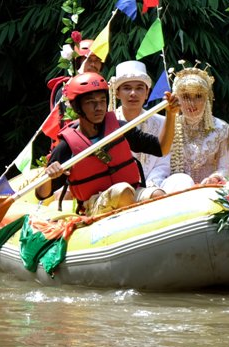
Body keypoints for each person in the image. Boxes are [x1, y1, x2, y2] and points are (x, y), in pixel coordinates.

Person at [36, 72, 180, 215]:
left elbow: (162, 148)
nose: (99, 107)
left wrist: (171, 114)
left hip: (131, 191)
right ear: (77, 107)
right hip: (95, 202)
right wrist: (49, 176)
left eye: (102, 101)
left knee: (158, 194)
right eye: (91, 102)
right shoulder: (66, 146)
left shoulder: (119, 127)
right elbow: (41, 194)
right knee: (122, 191)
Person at [159, 66, 229, 193]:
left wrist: (215, 178)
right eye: (186, 96)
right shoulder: (168, 126)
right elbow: (160, 167)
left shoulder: (222, 129)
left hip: (208, 193)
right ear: (177, 98)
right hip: (174, 194)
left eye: (198, 96)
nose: (192, 103)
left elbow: (225, 168)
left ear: (207, 98)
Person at [109, 60, 171, 199]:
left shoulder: (162, 122)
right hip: (117, 188)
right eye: (126, 88)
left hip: (155, 186)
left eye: (139, 88)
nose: (133, 93)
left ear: (147, 92)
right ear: (117, 93)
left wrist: (150, 186)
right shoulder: (108, 123)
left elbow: (163, 163)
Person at [45, 35, 105, 148]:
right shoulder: (65, 89)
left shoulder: (105, 88)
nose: (93, 64)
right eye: (89, 60)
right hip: (72, 144)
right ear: (77, 62)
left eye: (97, 60)